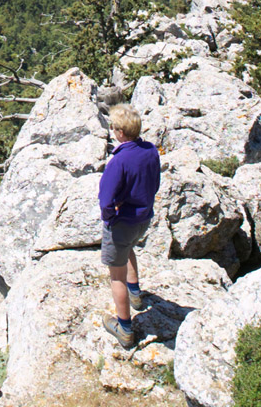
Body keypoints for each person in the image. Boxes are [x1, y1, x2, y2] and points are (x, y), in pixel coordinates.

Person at [98, 103, 161, 348]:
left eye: (114, 127)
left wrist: (110, 217)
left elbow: (105, 199)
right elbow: (154, 183)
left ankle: (124, 329)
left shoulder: (119, 161)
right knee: (129, 247)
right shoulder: (150, 151)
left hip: (122, 220)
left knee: (116, 276)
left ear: (121, 133)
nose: (112, 131)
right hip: (143, 218)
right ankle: (135, 294)